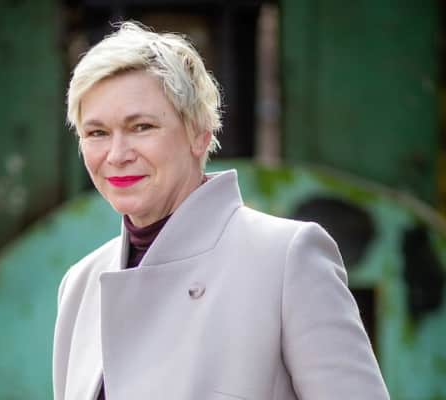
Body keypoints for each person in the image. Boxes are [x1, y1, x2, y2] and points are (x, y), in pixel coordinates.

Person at [53, 21, 389, 400]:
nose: (117, 155)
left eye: (142, 127)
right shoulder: (80, 284)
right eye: (97, 133)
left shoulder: (285, 258)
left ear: (200, 134)